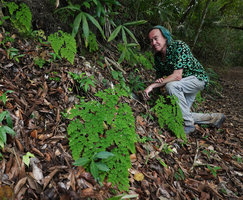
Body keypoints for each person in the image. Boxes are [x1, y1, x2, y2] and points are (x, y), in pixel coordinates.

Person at [144, 25, 225, 135]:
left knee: (171, 86)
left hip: (196, 79)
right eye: (151, 40)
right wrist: (153, 97)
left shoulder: (179, 46)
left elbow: (177, 76)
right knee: (178, 114)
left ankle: (188, 125)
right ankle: (215, 118)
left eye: (156, 38)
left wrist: (152, 86)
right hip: (182, 83)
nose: (153, 43)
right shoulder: (158, 57)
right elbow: (159, 79)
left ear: (165, 37)